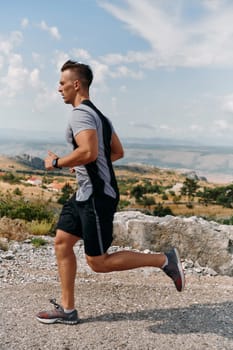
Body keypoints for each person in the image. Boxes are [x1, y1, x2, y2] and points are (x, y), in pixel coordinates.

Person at [36, 60, 185, 325]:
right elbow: (115, 152)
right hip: (86, 192)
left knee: (98, 262)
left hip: (97, 196)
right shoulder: (101, 116)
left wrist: (57, 163)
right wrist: (83, 167)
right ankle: (68, 310)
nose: (58, 88)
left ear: (76, 84)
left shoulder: (80, 114)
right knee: (62, 242)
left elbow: (89, 152)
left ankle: (165, 260)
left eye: (62, 83)